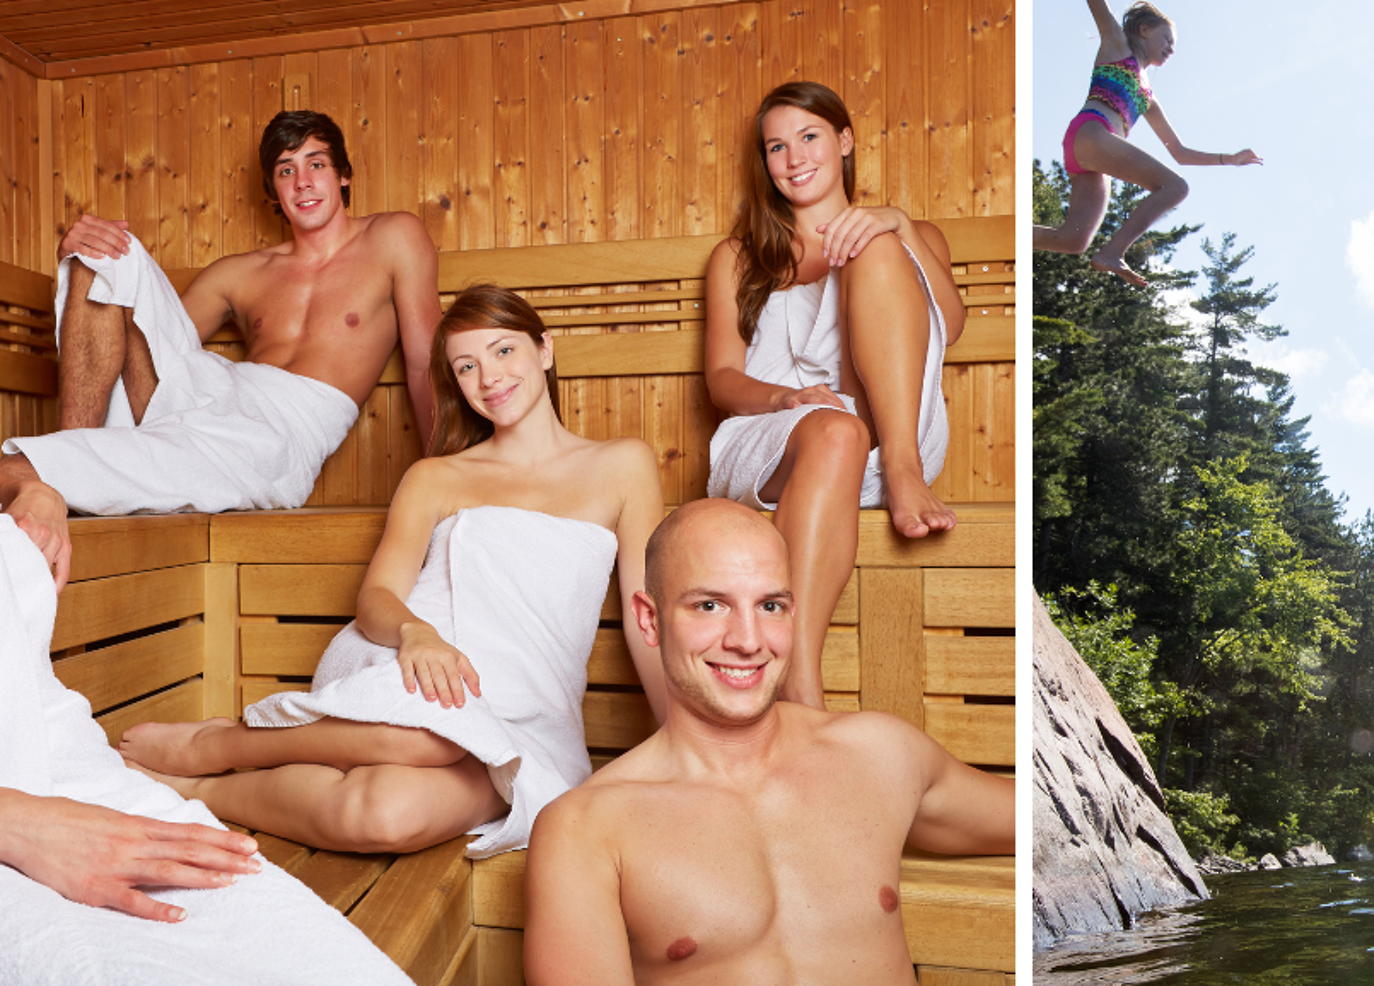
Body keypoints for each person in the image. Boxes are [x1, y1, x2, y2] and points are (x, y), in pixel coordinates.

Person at [119, 286, 665, 858]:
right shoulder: (437, 477)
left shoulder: (622, 466)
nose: (490, 377)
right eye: (467, 366)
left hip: (530, 706)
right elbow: (377, 596)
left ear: (544, 350)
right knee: (432, 738)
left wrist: (680, 743)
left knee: (382, 814)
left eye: (504, 351)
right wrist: (415, 634)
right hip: (416, 663)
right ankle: (221, 746)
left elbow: (646, 619)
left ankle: (201, 784)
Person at [523, 498, 1014, 984]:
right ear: (649, 619)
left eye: (769, 606)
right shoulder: (584, 830)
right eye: (710, 605)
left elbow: (1043, 818)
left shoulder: (881, 755)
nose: (748, 640)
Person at [0, 110, 442, 592]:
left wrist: (444, 484)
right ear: (273, 191)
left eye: (316, 163)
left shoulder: (394, 238)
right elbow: (150, 343)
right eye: (286, 170)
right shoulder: (240, 272)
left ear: (344, 175)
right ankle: (71, 475)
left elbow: (424, 366)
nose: (303, 182)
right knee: (105, 254)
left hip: (277, 435)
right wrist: (75, 253)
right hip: (212, 393)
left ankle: (63, 479)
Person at [0, 518, 410, 984]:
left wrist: (30, 484)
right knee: (392, 793)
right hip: (25, 795)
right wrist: (17, 820)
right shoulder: (438, 480)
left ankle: (212, 750)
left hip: (54, 766)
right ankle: (210, 751)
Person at [704, 81, 966, 709]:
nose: (794, 159)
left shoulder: (905, 233)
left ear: (844, 141)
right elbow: (721, 379)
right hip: (777, 438)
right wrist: (784, 400)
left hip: (890, 435)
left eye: (810, 137)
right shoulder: (738, 257)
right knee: (833, 428)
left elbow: (949, 328)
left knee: (873, 249)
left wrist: (899, 226)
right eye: (776, 147)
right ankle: (801, 694)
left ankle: (903, 467)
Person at [1032, 0, 1262, 287]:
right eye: (1167, 39)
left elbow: (1179, 152)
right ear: (1144, 30)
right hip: (1092, 132)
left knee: (1073, 240)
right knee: (1176, 187)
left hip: (1090, 151)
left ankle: (1008, 235)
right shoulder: (1117, 45)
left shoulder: (1148, 98)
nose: (1171, 48)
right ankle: (1114, 252)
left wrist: (1229, 158)